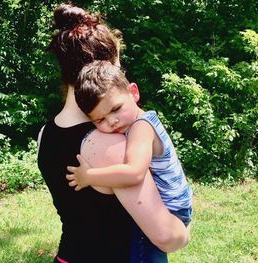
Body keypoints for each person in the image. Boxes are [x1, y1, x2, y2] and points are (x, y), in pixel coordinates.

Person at [37, 4, 188, 263]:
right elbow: (167, 237)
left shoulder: (45, 134)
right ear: (104, 70)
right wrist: (183, 230)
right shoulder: (111, 141)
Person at [66, 60, 193, 229]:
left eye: (116, 108)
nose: (112, 121)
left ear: (133, 92)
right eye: (100, 119)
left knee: (142, 255)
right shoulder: (139, 122)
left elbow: (134, 173)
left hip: (172, 210)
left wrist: (89, 176)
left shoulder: (141, 126)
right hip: (177, 206)